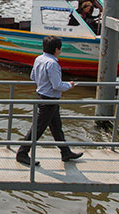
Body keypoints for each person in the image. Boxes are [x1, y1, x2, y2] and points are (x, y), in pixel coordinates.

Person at [16, 36, 83, 166]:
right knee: (38, 128)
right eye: (60, 48)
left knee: (56, 127)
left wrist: (42, 83)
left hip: (42, 96)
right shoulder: (53, 64)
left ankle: (65, 152)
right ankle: (22, 153)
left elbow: (32, 77)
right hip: (49, 100)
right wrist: (70, 85)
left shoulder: (39, 59)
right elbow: (57, 85)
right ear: (57, 49)